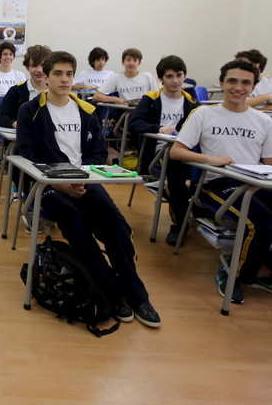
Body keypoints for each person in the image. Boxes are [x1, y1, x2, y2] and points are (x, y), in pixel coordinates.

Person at [17, 51, 161, 328]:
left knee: (117, 228)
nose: (64, 79)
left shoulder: (87, 110)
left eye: (69, 73)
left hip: (85, 181)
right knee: (76, 225)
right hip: (48, 185)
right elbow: (27, 154)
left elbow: (97, 153)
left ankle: (136, 295)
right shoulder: (31, 111)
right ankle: (112, 292)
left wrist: (82, 179)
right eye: (57, 73)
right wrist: (62, 184)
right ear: (46, 77)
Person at [170, 59, 272, 304]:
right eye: (232, 81)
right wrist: (209, 159)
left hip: (254, 183)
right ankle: (234, 274)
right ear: (222, 83)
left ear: (254, 86)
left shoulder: (264, 121)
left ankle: (262, 267)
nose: (238, 87)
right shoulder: (204, 113)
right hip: (216, 185)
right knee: (260, 222)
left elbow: (268, 163)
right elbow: (176, 151)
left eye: (246, 82)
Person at [129, 55, 198, 245]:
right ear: (161, 79)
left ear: (185, 76)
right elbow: (135, 123)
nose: (175, 81)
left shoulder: (191, 102)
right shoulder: (151, 99)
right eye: (169, 76)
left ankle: (195, 212)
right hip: (157, 155)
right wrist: (158, 129)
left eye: (179, 75)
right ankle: (180, 224)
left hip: (186, 152)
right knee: (176, 173)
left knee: (195, 171)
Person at [0, 45, 51, 128]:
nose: (39, 70)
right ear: (27, 67)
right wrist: (16, 124)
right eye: (34, 66)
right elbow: (0, 118)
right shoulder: (15, 91)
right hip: (22, 138)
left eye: (43, 66)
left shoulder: (56, 91)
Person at [94, 48, 159, 104]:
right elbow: (96, 96)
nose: (131, 63)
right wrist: (115, 99)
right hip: (125, 112)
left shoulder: (148, 76)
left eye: (135, 60)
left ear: (139, 63)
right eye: (128, 60)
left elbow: (157, 96)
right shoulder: (116, 78)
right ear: (123, 62)